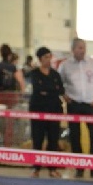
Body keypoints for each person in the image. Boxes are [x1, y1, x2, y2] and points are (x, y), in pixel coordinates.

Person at [59, 38, 93, 179]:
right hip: (74, 104)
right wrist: (64, 95)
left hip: (92, 104)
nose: (81, 50)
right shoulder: (65, 66)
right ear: (73, 49)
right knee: (75, 136)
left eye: (83, 47)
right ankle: (79, 168)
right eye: (79, 48)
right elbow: (59, 82)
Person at [29, 46, 64, 178]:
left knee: (53, 140)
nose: (48, 60)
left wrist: (48, 91)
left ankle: (52, 168)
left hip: (54, 111)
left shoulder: (55, 74)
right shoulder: (34, 73)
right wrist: (51, 90)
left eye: (50, 57)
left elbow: (60, 90)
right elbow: (39, 88)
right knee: (37, 139)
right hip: (38, 111)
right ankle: (36, 168)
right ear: (40, 59)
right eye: (45, 57)